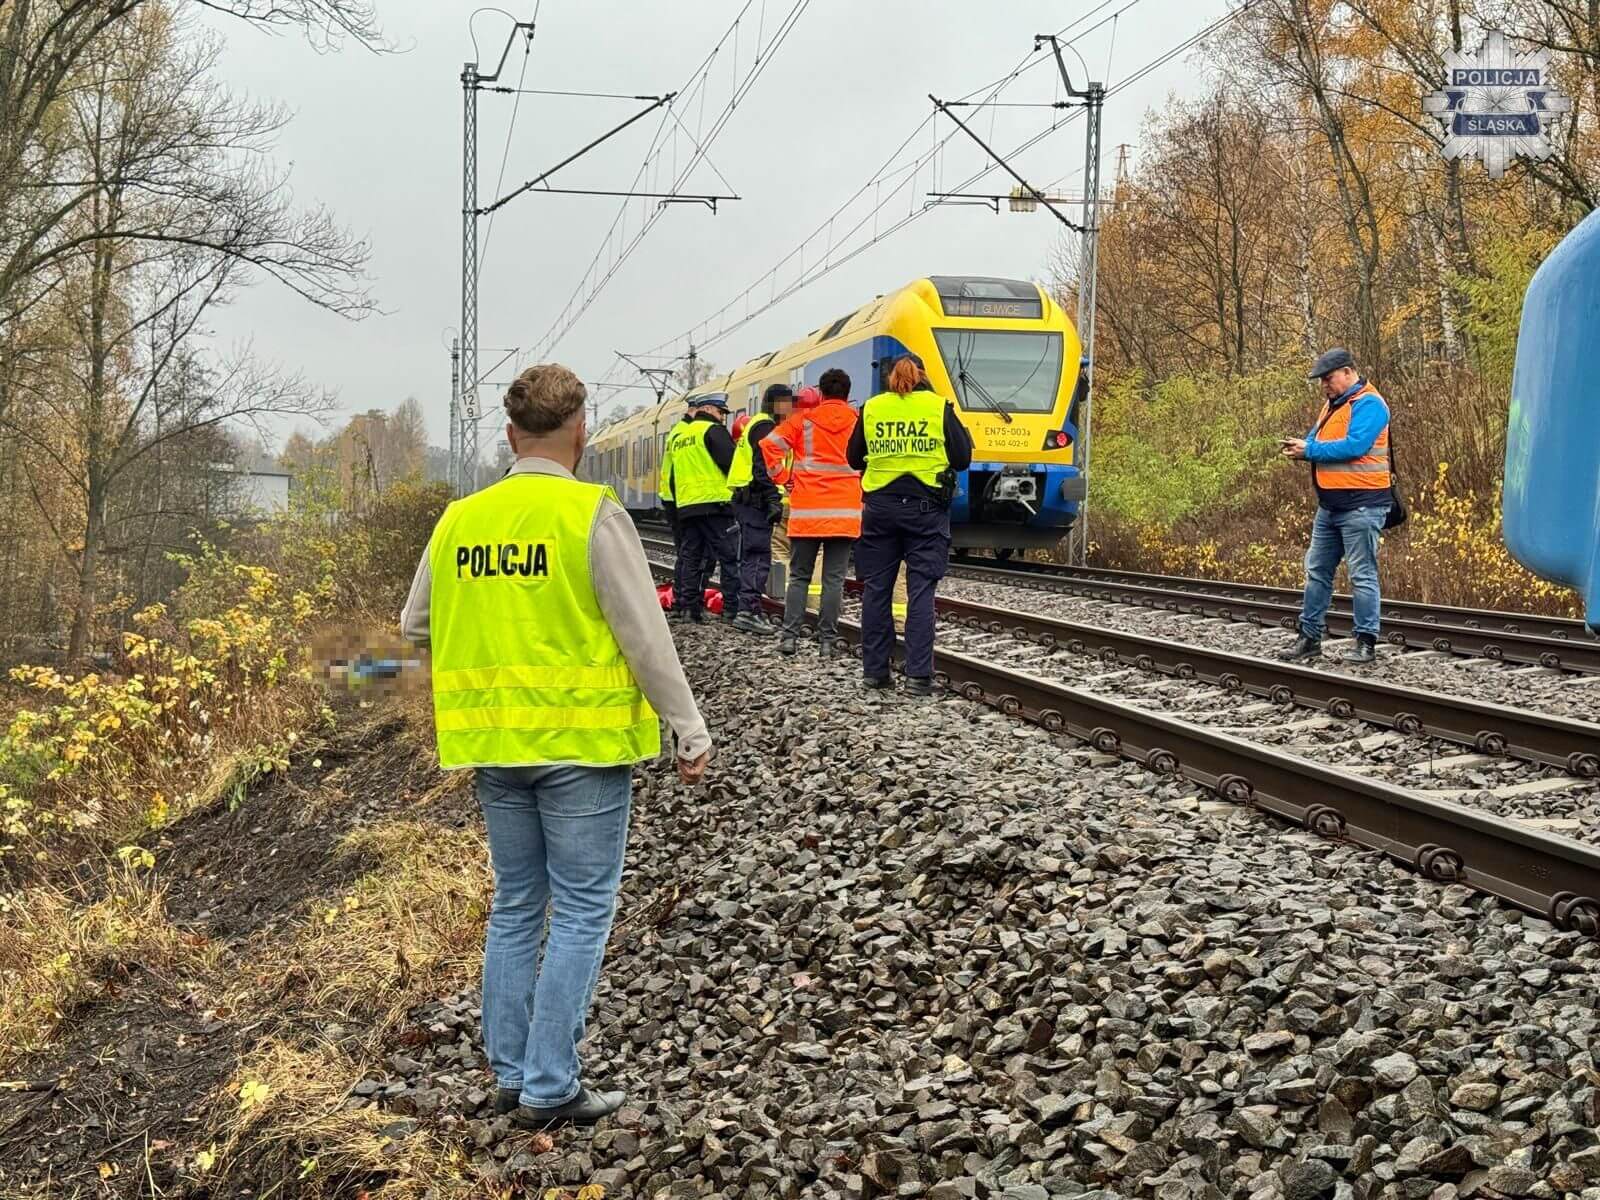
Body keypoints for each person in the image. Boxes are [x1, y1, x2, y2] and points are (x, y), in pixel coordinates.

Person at [400, 363, 711, 1130]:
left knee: (515, 907)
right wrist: (688, 727)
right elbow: (645, 635)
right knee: (579, 912)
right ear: (580, 432)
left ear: (511, 436)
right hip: (580, 749)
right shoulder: (591, 515)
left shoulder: (460, 521)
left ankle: (510, 1073)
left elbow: (414, 626)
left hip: (495, 748)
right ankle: (548, 1085)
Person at [847, 354, 973, 694]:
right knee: (920, 593)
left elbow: (853, 457)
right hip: (925, 512)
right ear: (923, 375)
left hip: (879, 510)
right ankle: (918, 677)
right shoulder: (938, 407)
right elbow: (963, 457)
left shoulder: (872, 408)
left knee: (876, 591)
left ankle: (875, 673)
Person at [1277, 346, 1393, 665]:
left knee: (1361, 574)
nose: (1324, 385)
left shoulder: (1370, 404)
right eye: (1321, 380)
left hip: (1362, 506)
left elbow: (1355, 446)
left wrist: (1309, 450)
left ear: (1347, 372)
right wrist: (1302, 447)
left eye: (1327, 378)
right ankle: (1309, 638)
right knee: (1317, 571)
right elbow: (1317, 441)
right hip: (1330, 506)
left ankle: (1366, 642)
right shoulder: (1333, 404)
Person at [762, 374, 861, 657]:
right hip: (845, 513)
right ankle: (827, 642)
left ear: (821, 392)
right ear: (847, 392)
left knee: (799, 577)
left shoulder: (803, 420)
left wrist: (783, 476)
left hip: (807, 512)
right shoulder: (858, 420)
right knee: (833, 580)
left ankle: (790, 637)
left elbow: (769, 445)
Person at [664, 394, 740, 624]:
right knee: (729, 558)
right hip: (715, 505)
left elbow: (673, 476)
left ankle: (688, 609)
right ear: (708, 409)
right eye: (720, 412)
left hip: (687, 507)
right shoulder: (712, 431)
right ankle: (731, 609)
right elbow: (732, 465)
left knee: (691, 558)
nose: (722, 418)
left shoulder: (679, 436)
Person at [728, 383, 794, 634]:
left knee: (753, 555)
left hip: (748, 498)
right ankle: (747, 611)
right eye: (787, 403)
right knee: (757, 556)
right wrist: (772, 499)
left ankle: (750, 608)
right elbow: (762, 467)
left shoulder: (759, 424)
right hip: (754, 500)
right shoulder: (765, 427)